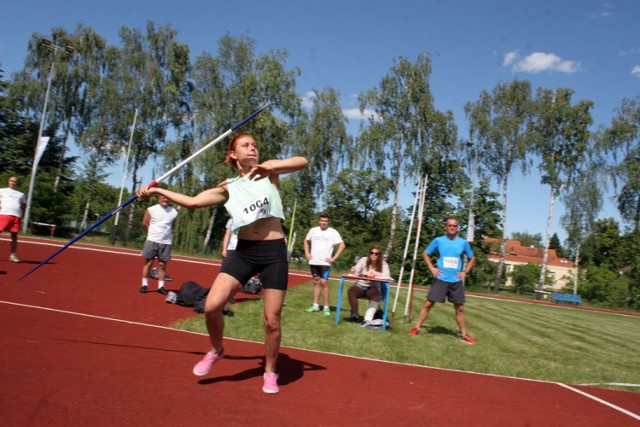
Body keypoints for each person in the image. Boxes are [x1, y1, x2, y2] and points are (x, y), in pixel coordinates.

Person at [137, 133, 307, 394]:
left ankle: (270, 371)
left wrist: (271, 166)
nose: (252, 148)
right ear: (233, 155)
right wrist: (158, 190)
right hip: (244, 251)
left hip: (273, 251)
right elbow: (193, 202)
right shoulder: (228, 187)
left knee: (272, 321)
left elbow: (302, 161)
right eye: (245, 146)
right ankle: (217, 349)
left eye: (254, 145)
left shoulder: (270, 171)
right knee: (211, 305)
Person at [410, 216, 476, 344]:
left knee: (460, 308)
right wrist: (432, 268)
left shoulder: (463, 243)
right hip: (440, 279)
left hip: (455, 281)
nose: (452, 227)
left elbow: (472, 257)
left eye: (454, 226)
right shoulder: (438, 241)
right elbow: (425, 253)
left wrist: (465, 271)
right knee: (428, 304)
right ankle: (416, 327)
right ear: (445, 227)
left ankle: (464, 334)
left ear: (457, 228)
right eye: (450, 225)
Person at [304, 214, 346, 316]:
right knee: (316, 282)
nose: (323, 222)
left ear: (328, 222)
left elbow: (342, 245)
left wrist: (334, 258)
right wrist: (307, 253)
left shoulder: (333, 232)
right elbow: (306, 240)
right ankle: (315, 305)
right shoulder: (313, 230)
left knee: (324, 282)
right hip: (314, 261)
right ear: (319, 221)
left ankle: (326, 307)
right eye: (322, 220)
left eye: (326, 221)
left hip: (325, 263)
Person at [140, 194, 178, 295]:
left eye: (167, 197)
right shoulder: (151, 209)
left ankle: (161, 287)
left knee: (162, 265)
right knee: (149, 263)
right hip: (152, 240)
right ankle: (144, 285)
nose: (165, 198)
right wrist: (152, 232)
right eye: (163, 197)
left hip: (166, 242)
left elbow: (173, 225)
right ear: (159, 198)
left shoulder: (174, 212)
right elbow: (144, 222)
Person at [347, 244, 390, 325]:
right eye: (371, 253)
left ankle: (367, 320)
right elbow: (356, 271)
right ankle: (356, 315)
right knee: (351, 291)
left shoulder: (383, 263)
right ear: (369, 253)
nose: (373, 255)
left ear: (379, 255)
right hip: (360, 284)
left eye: (376, 253)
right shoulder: (363, 260)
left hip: (373, 287)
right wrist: (353, 270)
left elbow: (387, 275)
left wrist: (374, 272)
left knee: (376, 295)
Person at [0, 176, 27, 263]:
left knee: (14, 236)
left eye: (15, 181)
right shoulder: (2, 191)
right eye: (11, 181)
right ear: (8, 181)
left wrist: (21, 214)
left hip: (16, 216)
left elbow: (24, 205)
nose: (13, 182)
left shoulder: (21, 194)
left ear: (17, 183)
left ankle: (13, 255)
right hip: (4, 214)